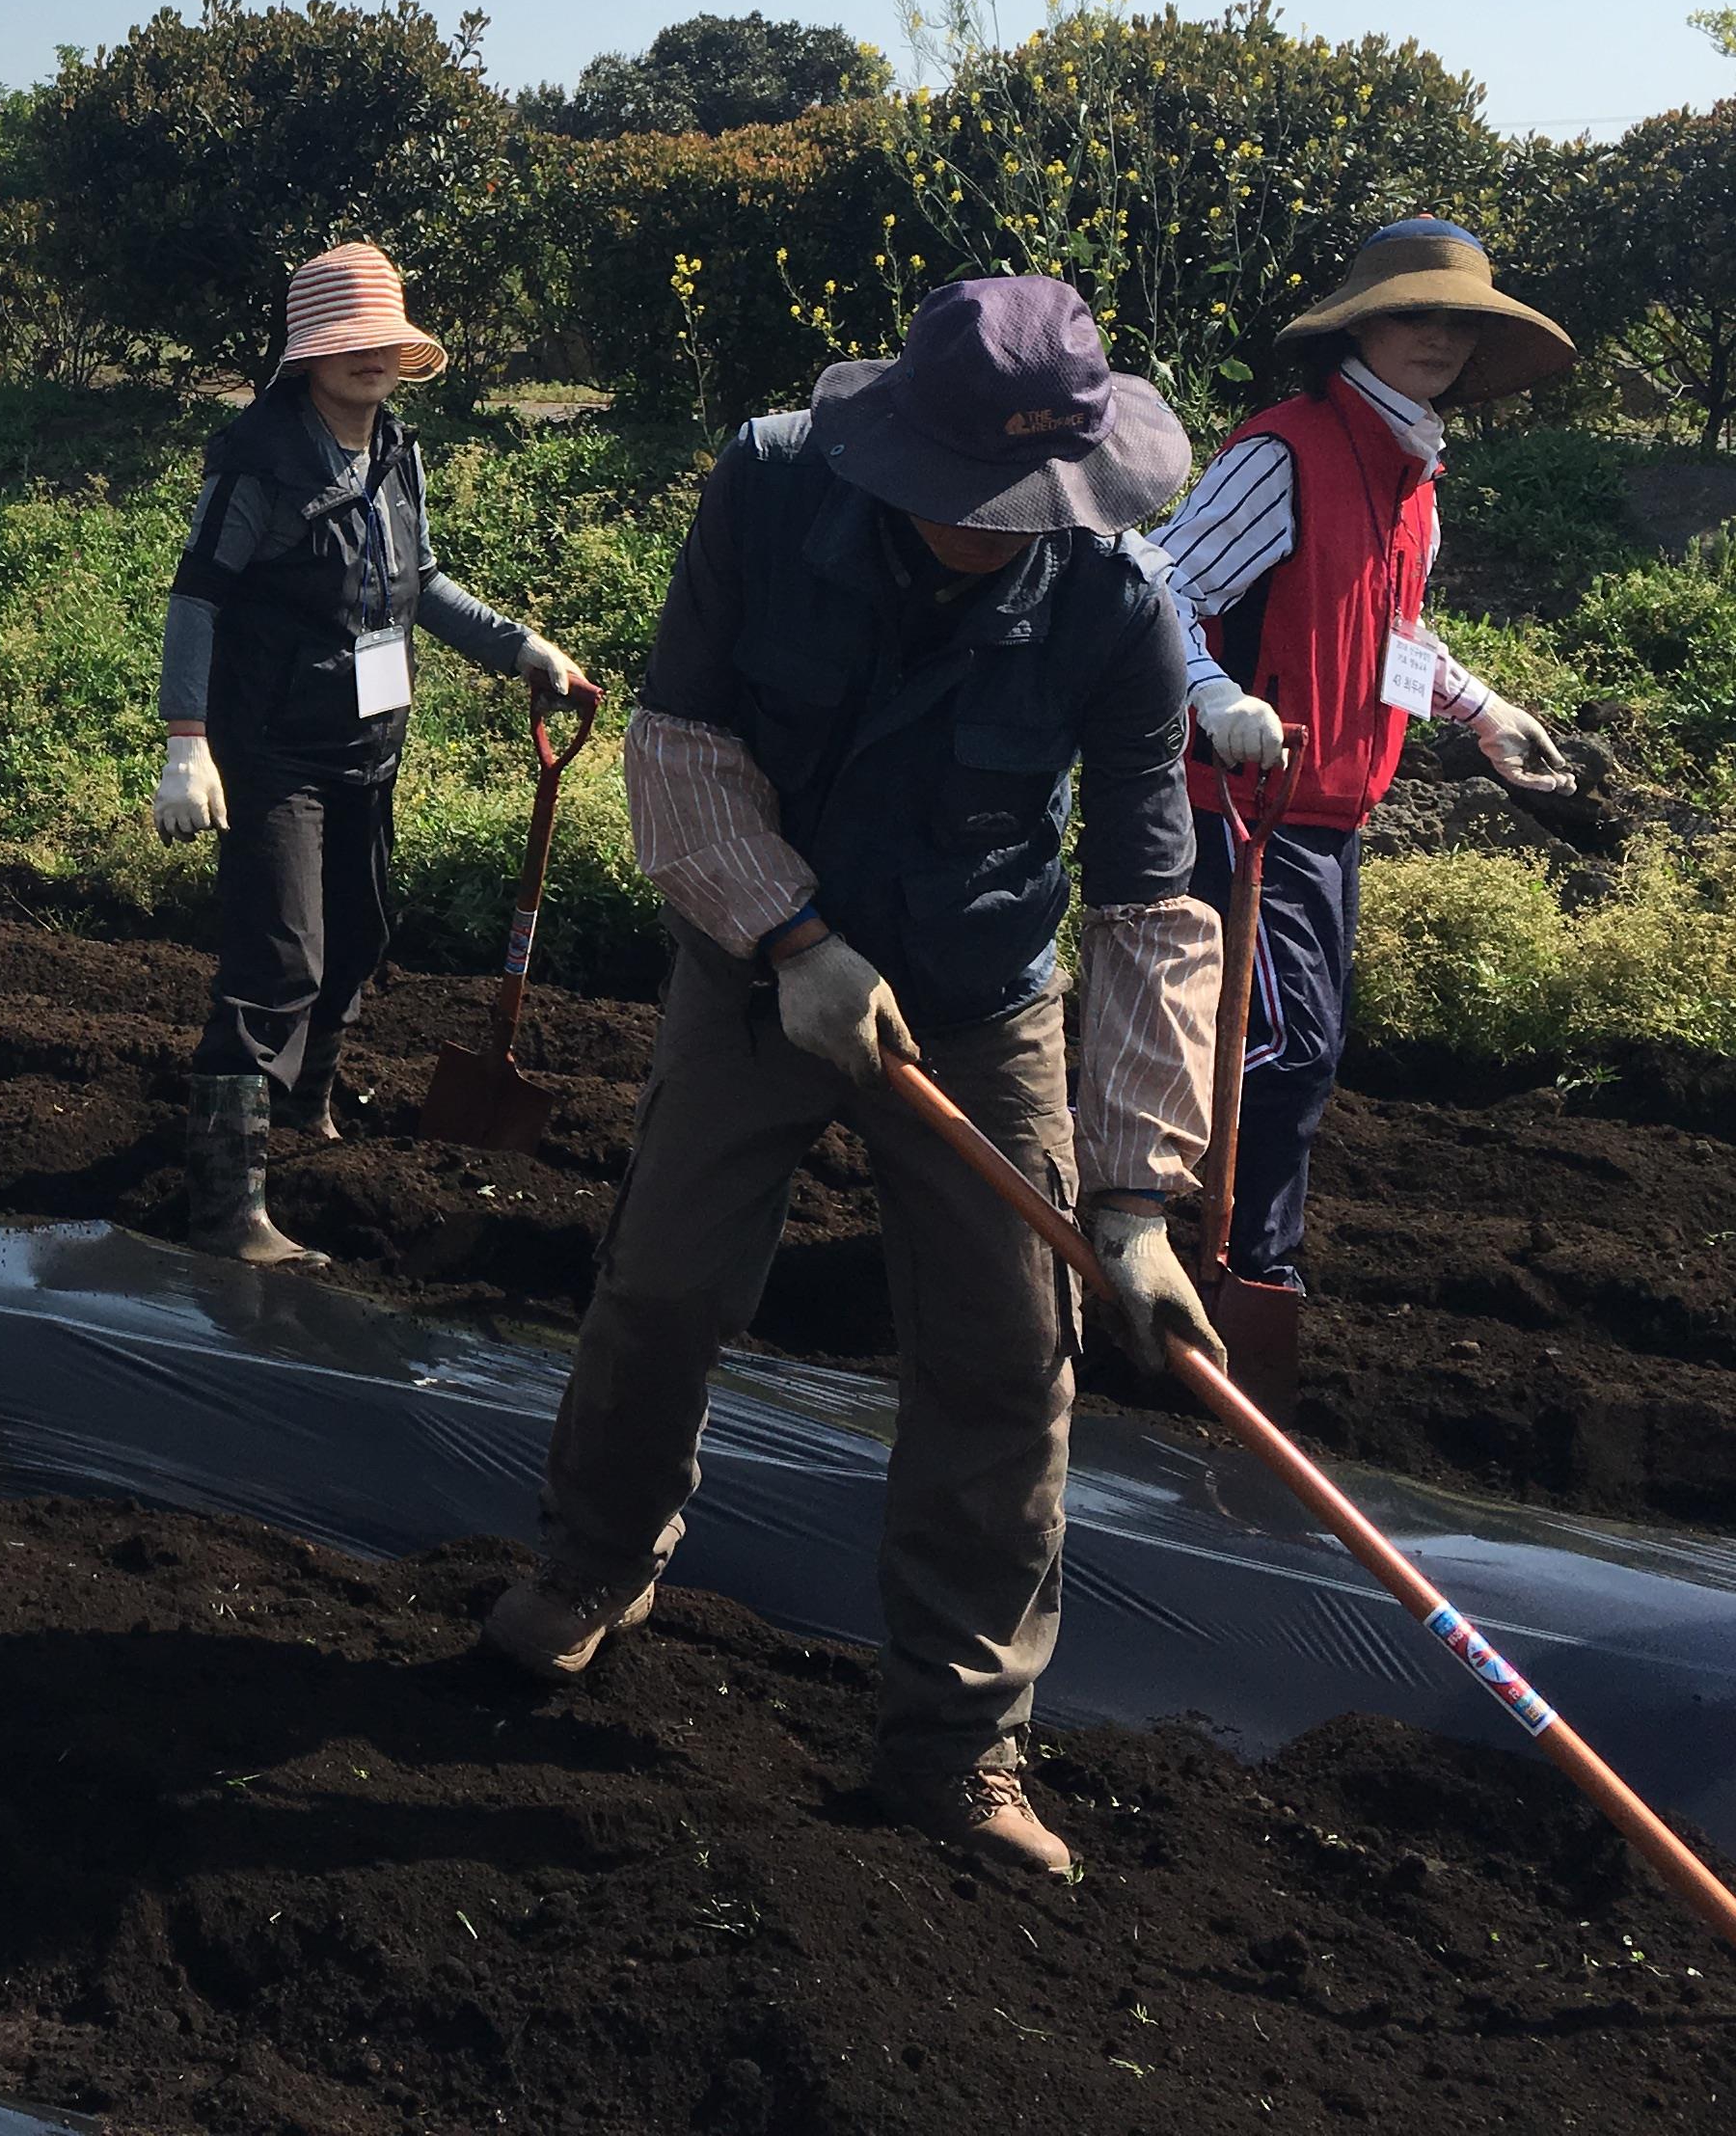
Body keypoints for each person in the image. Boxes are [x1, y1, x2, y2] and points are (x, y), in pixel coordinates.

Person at [487, 275, 1226, 1879]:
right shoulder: (767, 485)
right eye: (974, 494)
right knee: (666, 1282)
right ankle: (596, 1560)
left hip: (975, 997)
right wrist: (793, 935)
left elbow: (1149, 903)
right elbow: (676, 740)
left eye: (1033, 501)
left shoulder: (1114, 599)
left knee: (1001, 1356)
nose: (999, 525)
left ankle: (957, 1743)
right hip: (763, 965)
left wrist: (1134, 1199)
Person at [1154, 217, 1578, 1293]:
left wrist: (1483, 711)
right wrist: (1213, 695)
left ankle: (1228, 1256)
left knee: (1302, 1050)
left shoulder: (1412, 479)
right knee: (1279, 1050)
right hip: (1242, 803)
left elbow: (1386, 634)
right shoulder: (1282, 450)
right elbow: (1158, 589)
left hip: (1333, 811)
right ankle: (1210, 1253)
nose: (1437, 337)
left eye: (1458, 321)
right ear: (1361, 325)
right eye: (1413, 312)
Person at [150, 241, 595, 1262]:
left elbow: (420, 585)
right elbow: (197, 597)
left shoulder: (393, 448)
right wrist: (188, 742)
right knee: (281, 957)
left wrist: (521, 648)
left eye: (380, 341)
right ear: (306, 355)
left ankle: (305, 1110)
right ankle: (228, 1206)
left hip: (367, 741)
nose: (366, 358)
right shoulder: (258, 457)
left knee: (360, 932)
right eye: (343, 342)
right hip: (270, 748)